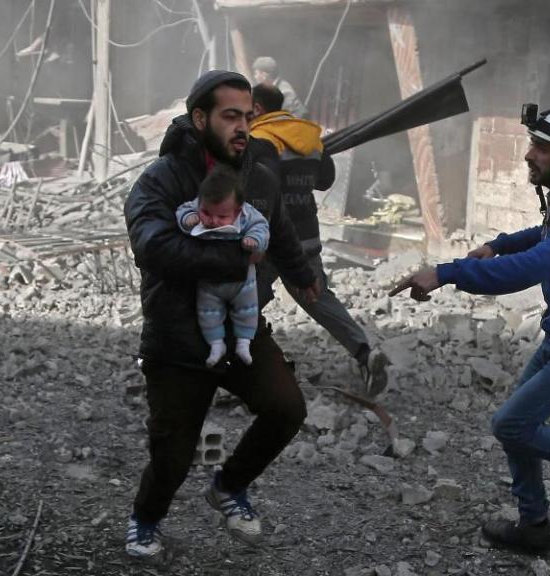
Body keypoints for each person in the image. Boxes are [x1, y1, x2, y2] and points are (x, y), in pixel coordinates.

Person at [390, 106, 550, 555]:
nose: (529, 155)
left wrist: (446, 272)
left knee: (511, 425)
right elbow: (543, 234)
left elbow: (531, 267)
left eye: (540, 147)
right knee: (519, 426)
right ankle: (534, 526)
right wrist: (497, 245)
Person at [123, 69, 320, 560]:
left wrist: (301, 273)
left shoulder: (258, 167)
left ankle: (229, 486)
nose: (242, 127)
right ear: (200, 117)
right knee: (172, 455)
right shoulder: (163, 178)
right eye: (230, 116)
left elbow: (279, 226)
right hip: (176, 335)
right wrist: (235, 259)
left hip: (242, 329)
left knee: (286, 408)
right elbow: (152, 246)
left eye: (247, 117)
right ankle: (145, 521)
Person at [250, 83, 389, 395]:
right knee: (318, 297)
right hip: (307, 237)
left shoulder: (258, 139)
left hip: (270, 240)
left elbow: (258, 189)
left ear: (257, 108)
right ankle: (365, 353)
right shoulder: (309, 136)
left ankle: (248, 369)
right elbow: (325, 181)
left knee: (244, 302)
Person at [176, 164, 270, 367]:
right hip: (209, 280)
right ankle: (216, 345)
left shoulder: (248, 214)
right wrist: (187, 219)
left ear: (237, 211)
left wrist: (254, 239)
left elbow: (262, 227)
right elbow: (181, 211)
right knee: (207, 312)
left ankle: (244, 344)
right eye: (206, 213)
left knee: (248, 310)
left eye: (222, 217)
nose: (212, 221)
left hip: (242, 279)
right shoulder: (197, 206)